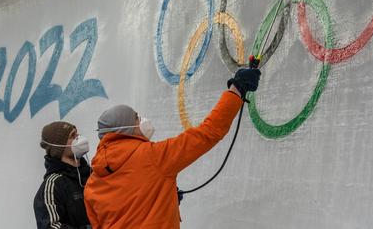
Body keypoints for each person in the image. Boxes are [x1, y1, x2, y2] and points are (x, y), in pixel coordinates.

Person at [83, 68, 261, 228]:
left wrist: (163, 200)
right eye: (137, 118)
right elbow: (208, 132)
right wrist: (237, 89)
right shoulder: (153, 157)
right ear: (126, 128)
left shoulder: (92, 181)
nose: (142, 120)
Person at [34, 121, 92, 229]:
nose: (79, 138)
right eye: (72, 136)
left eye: (77, 134)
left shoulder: (92, 174)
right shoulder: (53, 184)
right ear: (59, 146)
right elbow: (51, 226)